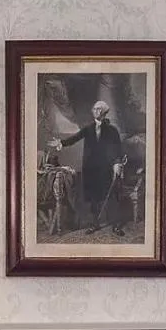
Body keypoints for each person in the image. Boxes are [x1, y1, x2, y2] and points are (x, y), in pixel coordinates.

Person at [50, 100, 126, 233]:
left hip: (106, 168)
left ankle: (115, 225)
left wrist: (117, 163)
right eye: (94, 109)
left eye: (99, 109)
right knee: (93, 197)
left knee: (111, 196)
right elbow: (75, 138)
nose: (95, 111)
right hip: (91, 168)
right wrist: (61, 142)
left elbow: (117, 149)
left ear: (104, 112)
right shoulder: (88, 128)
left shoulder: (112, 130)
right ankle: (94, 224)